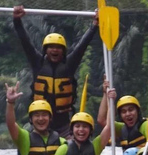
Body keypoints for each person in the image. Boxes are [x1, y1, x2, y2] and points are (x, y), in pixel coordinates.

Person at [13, 5, 99, 138]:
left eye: (58, 48)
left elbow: (82, 46)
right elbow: (25, 42)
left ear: (63, 51)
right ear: (45, 50)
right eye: (51, 47)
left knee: (71, 149)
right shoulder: (38, 63)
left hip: (64, 126)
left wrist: (94, 25)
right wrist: (17, 21)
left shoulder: (69, 65)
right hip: (41, 124)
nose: (54, 50)